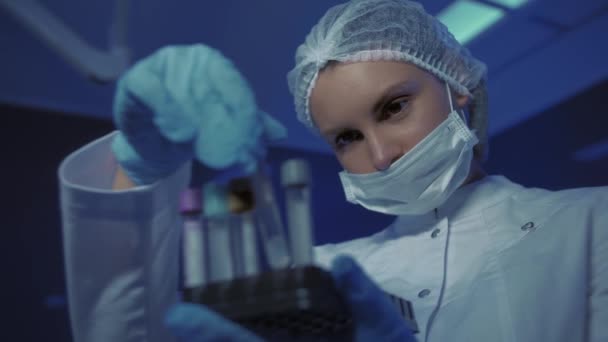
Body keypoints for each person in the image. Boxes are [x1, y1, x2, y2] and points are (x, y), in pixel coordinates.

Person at [59, 0, 607, 341]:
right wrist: (139, 171)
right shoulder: (321, 275)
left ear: (457, 86)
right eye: (346, 138)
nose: (382, 155)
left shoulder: (590, 225)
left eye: (394, 107)